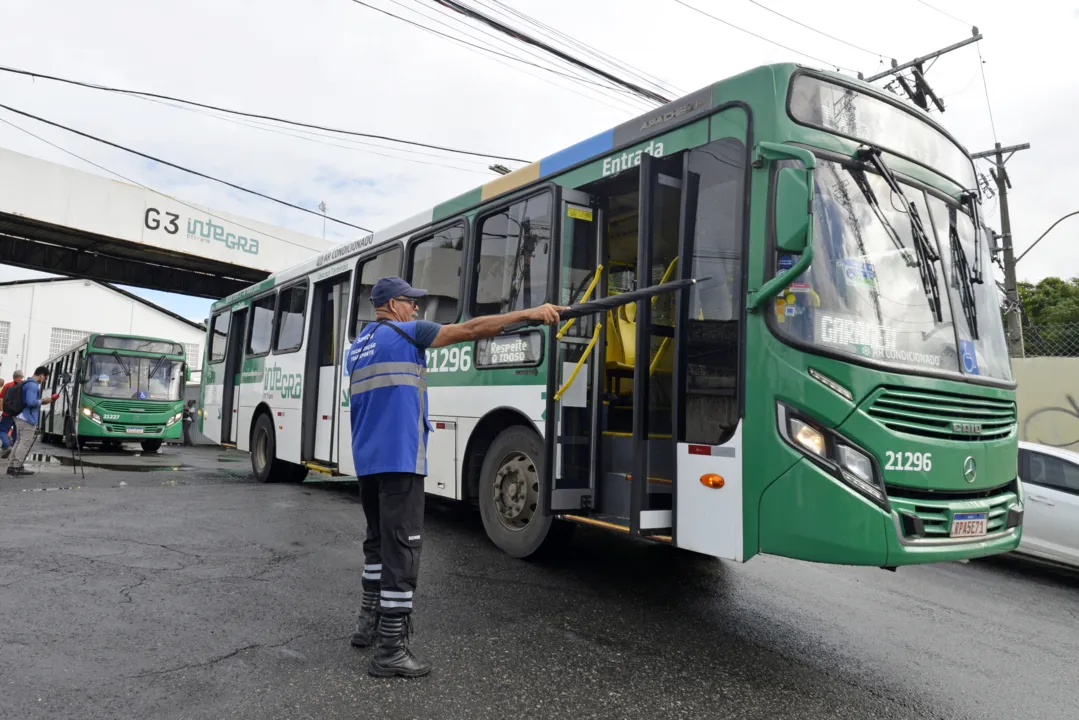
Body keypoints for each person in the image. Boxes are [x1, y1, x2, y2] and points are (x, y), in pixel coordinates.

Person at [345, 276, 563, 679]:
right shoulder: (408, 334)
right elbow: (472, 329)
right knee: (402, 550)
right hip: (400, 462)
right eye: (410, 302)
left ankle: (367, 625)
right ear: (393, 304)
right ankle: (390, 650)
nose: (416, 308)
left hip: (368, 464)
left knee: (377, 544)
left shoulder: (357, 348)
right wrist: (531, 313)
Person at [5, 366, 59, 476]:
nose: (45, 381)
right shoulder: (33, 385)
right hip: (27, 418)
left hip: (20, 416)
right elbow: (31, 402)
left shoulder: (26, 383)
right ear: (42, 375)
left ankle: (12, 466)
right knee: (25, 442)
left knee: (19, 441)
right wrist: (43, 400)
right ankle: (18, 467)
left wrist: (42, 401)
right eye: (46, 378)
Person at [0, 370, 25, 460]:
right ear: (22, 377)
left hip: (7, 413)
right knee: (16, 433)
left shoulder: (7, 385)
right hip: (20, 414)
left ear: (13, 376)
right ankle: (14, 452)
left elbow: (1, 398)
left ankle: (7, 445)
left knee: (2, 430)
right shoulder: (25, 385)